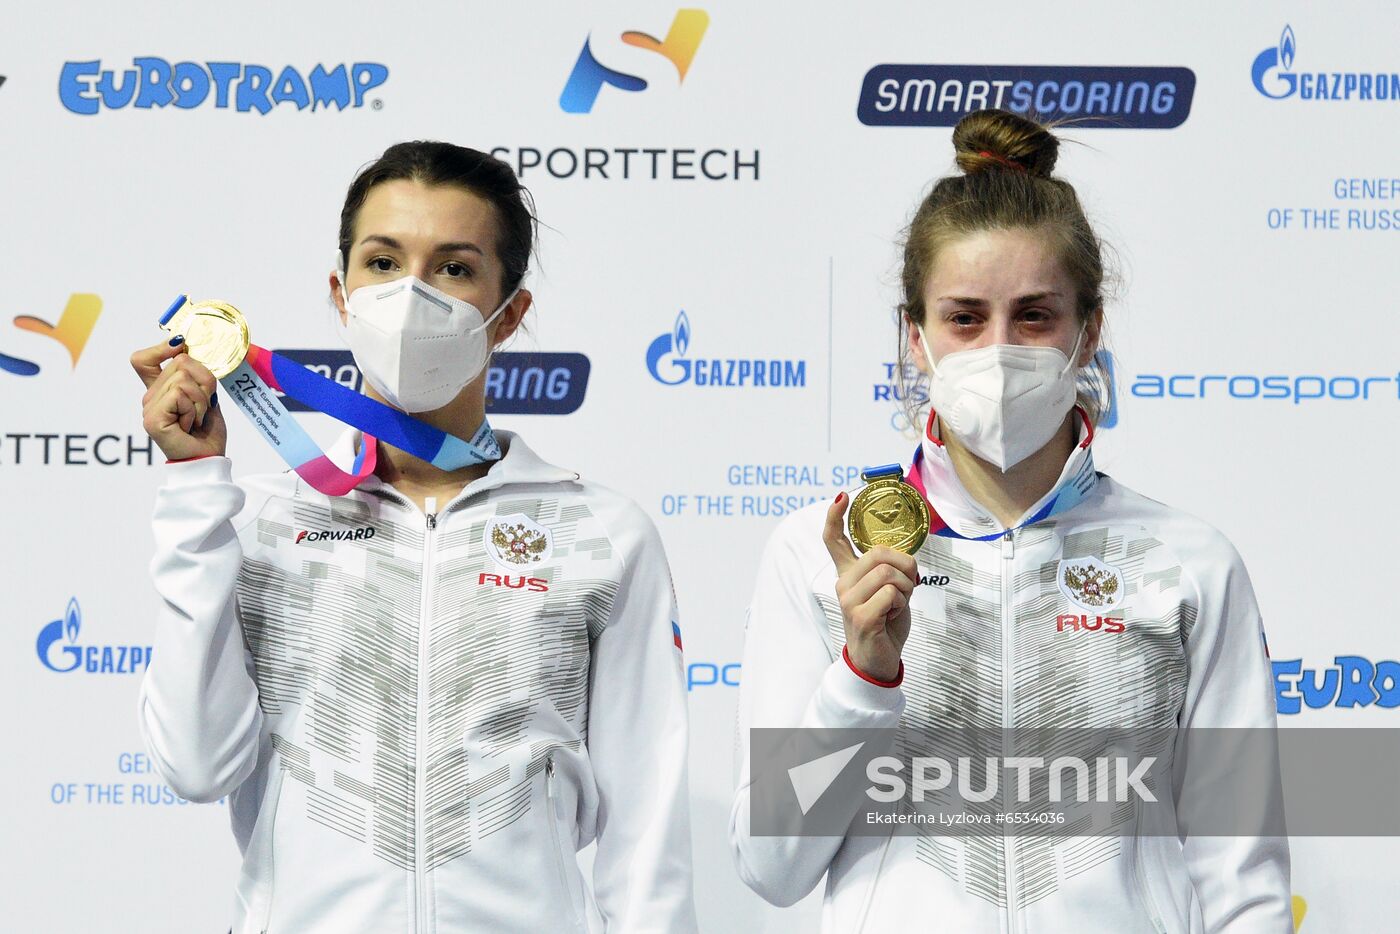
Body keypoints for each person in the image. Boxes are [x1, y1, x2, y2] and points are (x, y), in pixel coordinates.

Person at [729, 110, 1291, 932]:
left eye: (1034, 316)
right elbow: (772, 867)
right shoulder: (823, 552)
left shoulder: (1186, 563)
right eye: (964, 318)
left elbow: (1243, 882)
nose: (998, 350)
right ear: (913, 337)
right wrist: (863, 677)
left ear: (1088, 331)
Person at [131, 141, 698, 934]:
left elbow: (648, 836)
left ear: (511, 313)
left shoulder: (601, 533)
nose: (410, 297)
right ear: (341, 292)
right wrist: (195, 487)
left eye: (455, 269)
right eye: (383, 262)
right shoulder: (258, 520)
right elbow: (196, 765)